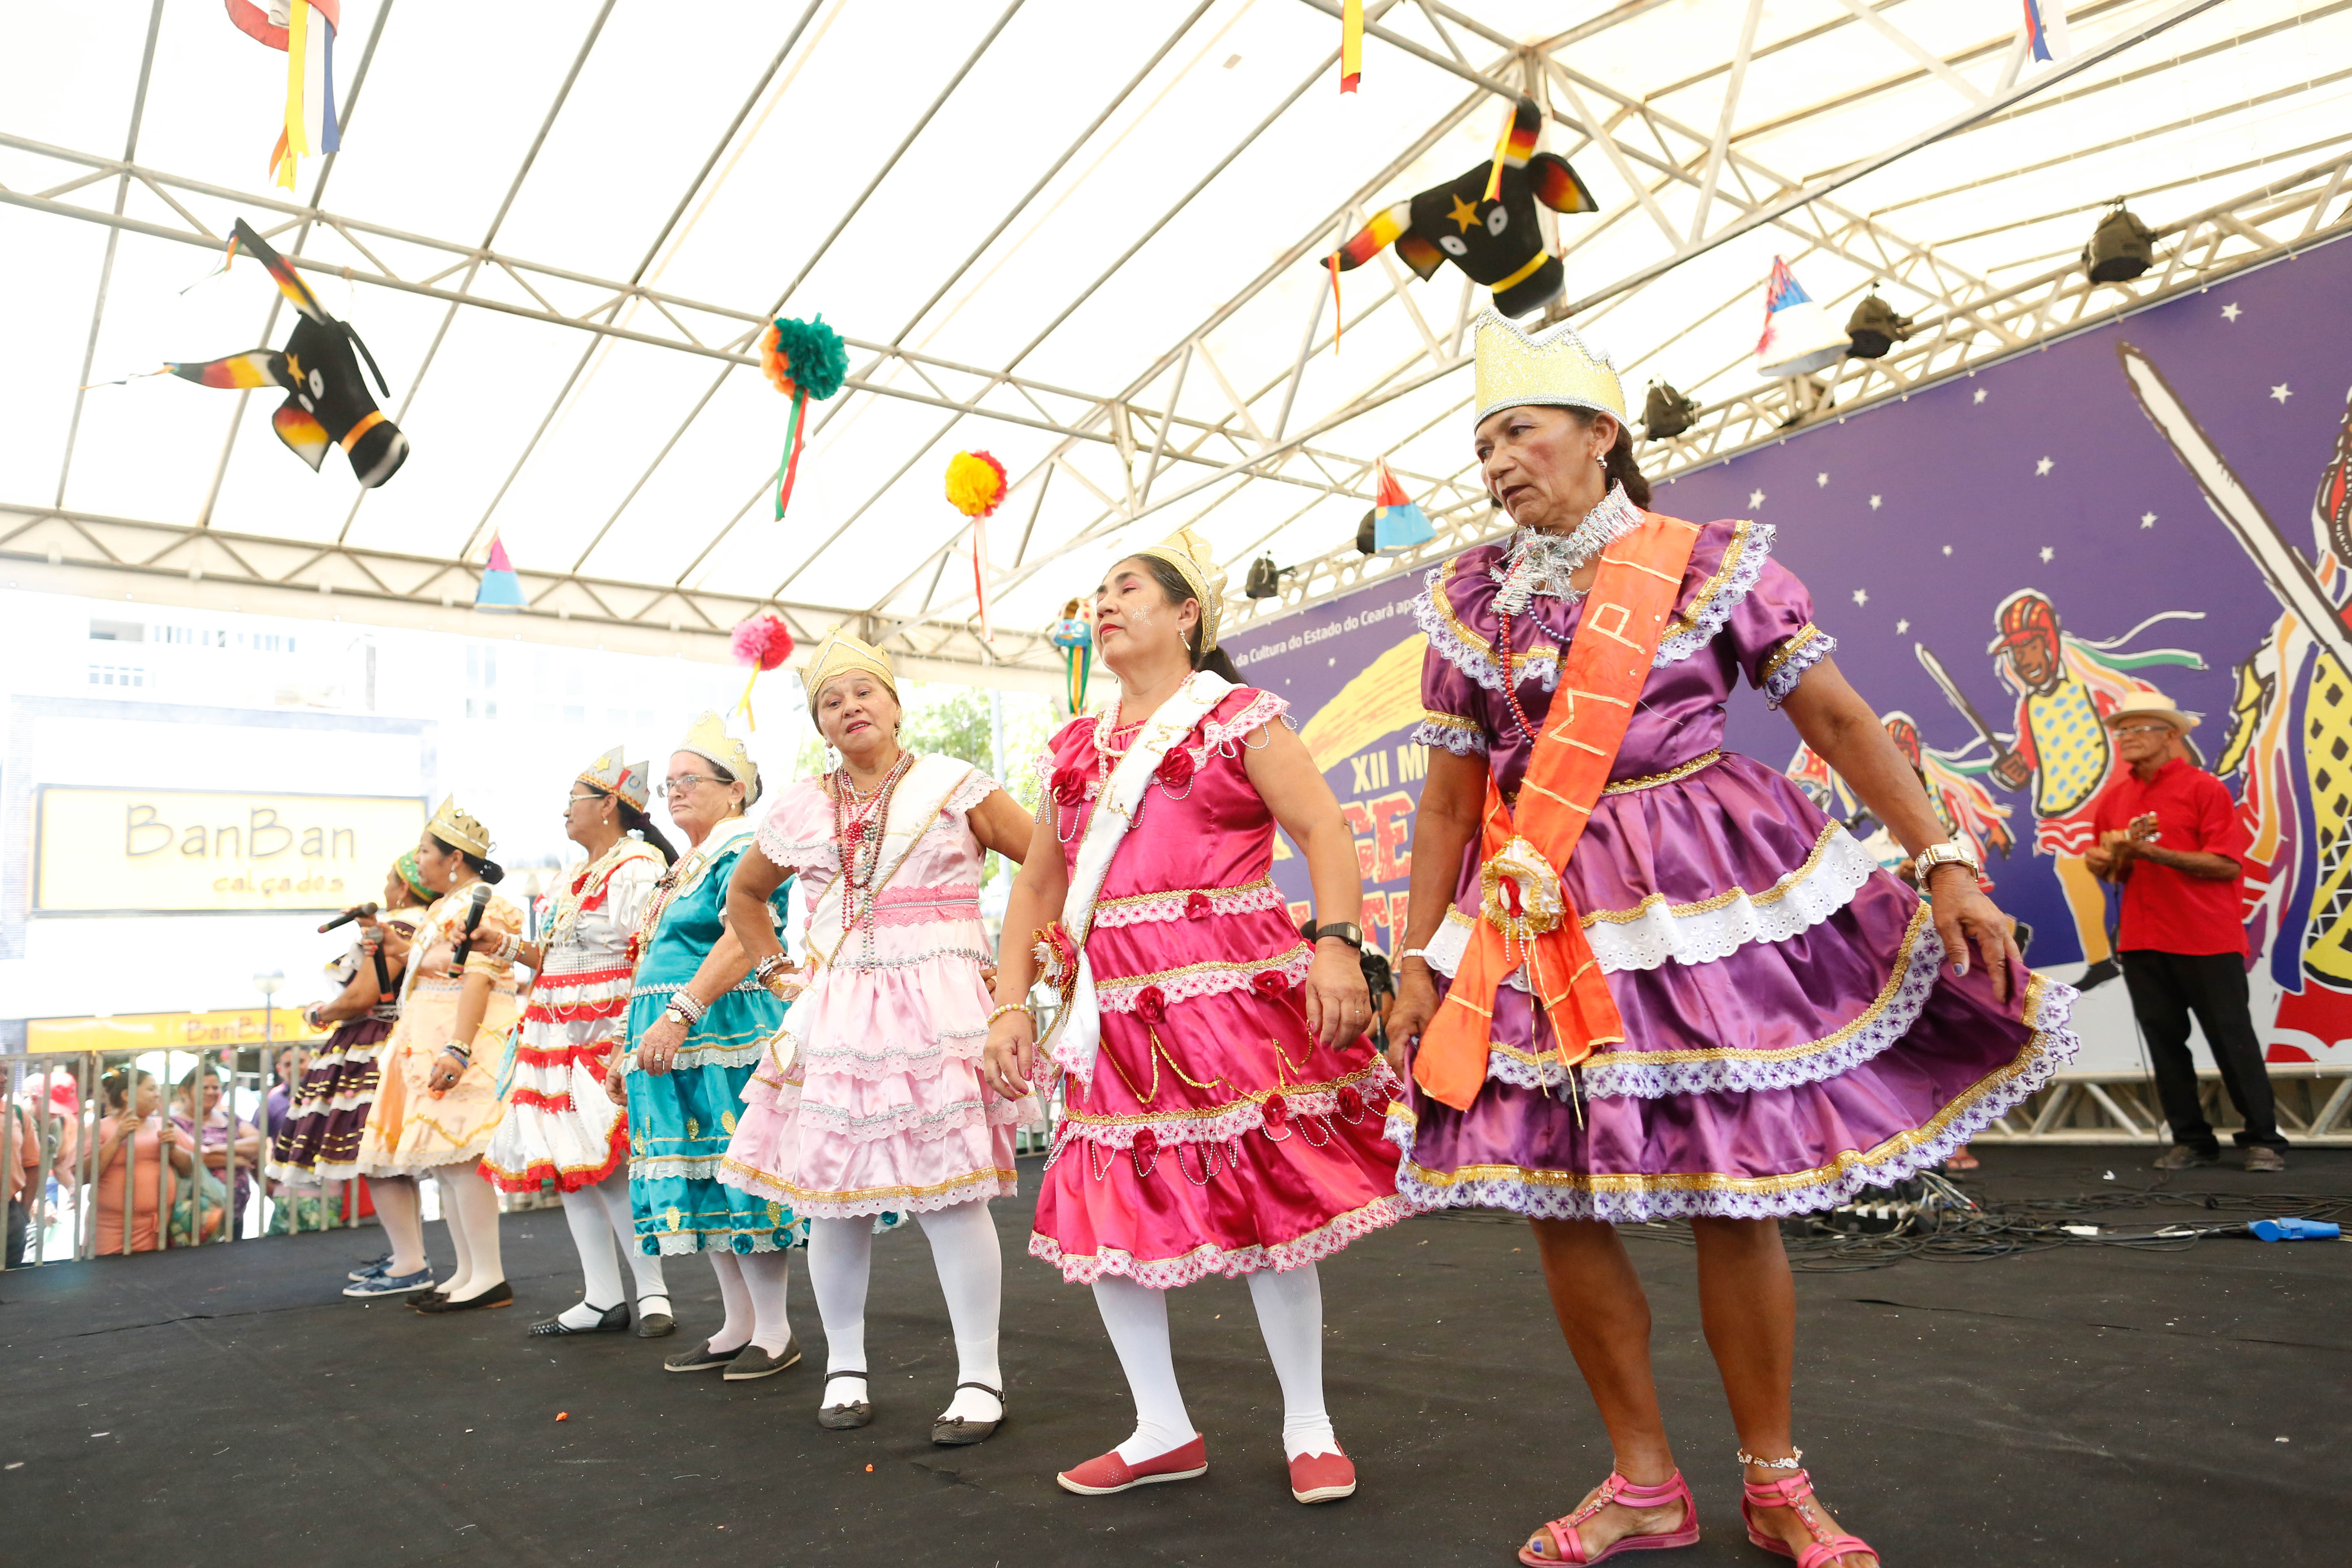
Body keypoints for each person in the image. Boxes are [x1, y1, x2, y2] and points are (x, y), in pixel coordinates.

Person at [1381, 313, 2080, 1566]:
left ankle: (1776, 1481)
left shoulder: (1707, 563)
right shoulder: (1470, 604)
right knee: (1557, 1196)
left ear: (1602, 433)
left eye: (1518, 433)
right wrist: (1418, 956)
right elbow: (1445, 803)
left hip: (1707, 895)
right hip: (1540, 913)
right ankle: (1644, 1481)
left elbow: (1842, 720)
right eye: (1482, 446)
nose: (1495, 463)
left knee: (1734, 1188)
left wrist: (1945, 860)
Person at [987, 530, 1408, 1504]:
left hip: (1233, 994)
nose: (1103, 602)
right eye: (1097, 591)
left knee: (1267, 1194)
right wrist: (1009, 1003)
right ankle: (1160, 1427)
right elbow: (1037, 887)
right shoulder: (1071, 749)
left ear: (1187, 615)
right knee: (1107, 1203)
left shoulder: (1237, 717)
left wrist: (1337, 944)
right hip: (1111, 1011)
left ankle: (1309, 1424)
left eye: (1126, 586)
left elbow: (1323, 828)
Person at [721, 629, 1036, 1440]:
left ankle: (980, 1377)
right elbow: (744, 898)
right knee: (833, 1202)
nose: (850, 707)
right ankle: (845, 1368)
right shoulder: (799, 806)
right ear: (820, 726)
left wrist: (1019, 979)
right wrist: (777, 974)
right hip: (838, 1017)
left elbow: (1047, 870)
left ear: (896, 706)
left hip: (942, 1013)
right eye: (831, 701)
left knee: (953, 1196)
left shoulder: (953, 785)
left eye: (865, 692)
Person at [617, 715, 804, 1378]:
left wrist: (681, 1014)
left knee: (739, 1169)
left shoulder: (745, 847)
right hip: (677, 1034)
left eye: (690, 779)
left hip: (724, 1028)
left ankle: (774, 1329)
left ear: (736, 789)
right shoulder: (686, 864)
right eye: (669, 783)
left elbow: (743, 939)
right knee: (704, 1175)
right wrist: (627, 1047)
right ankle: (738, 1323)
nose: (675, 791)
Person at [483, 748, 677, 1335]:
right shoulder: (569, 877)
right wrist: (505, 946)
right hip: (553, 1027)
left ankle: (653, 1293)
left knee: (609, 1161)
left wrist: (627, 1035)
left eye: (574, 800)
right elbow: (555, 956)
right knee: (570, 1160)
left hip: (605, 1026)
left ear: (609, 804)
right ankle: (602, 1296)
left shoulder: (637, 865)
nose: (566, 811)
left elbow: (647, 954)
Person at [2086, 699, 2287, 1172]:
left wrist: (2150, 853)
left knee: (2232, 1040)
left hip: (2205, 936)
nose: (2127, 738)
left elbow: (2226, 865)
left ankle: (2264, 1140)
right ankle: (2192, 1140)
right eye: (2122, 731)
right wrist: (2104, 863)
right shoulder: (2114, 799)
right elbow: (2116, 871)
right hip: (2141, 939)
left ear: (2170, 735)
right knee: (2164, 1044)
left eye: (2139, 728)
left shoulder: (2204, 788)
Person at [345, 798, 526, 1312]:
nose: (418, 860)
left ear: (455, 859)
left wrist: (460, 1047)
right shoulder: (443, 906)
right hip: (432, 1037)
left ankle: (488, 1274)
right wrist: (392, 945)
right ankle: (467, 1271)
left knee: (464, 1160)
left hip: (464, 1037)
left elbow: (478, 976)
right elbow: (437, 962)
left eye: (425, 851)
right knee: (447, 1165)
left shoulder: (487, 905)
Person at [276, 854, 431, 1244]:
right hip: (404, 1039)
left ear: (404, 887)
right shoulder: (428, 924)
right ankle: (410, 1257)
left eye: (389, 880)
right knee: (392, 1160)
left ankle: (408, 1259)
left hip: (376, 1042)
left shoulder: (401, 927)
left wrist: (319, 1014)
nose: (384, 889)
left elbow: (361, 997)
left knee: (378, 1157)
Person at [92, 1068, 199, 1256]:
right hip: (111, 1230)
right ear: (127, 1095)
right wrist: (117, 1138)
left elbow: (189, 1170)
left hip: (160, 1228)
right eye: (151, 1089)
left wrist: (173, 1148)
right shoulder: (101, 1128)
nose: (158, 1094)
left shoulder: (165, 1126)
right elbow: (85, 1175)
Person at [171, 1063, 257, 1238]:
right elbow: (193, 1159)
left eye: (216, 1088)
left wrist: (217, 1149)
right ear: (184, 1091)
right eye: (204, 1088)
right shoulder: (175, 1124)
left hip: (235, 1213)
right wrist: (237, 1160)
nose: (211, 1092)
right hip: (198, 1216)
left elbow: (258, 1143)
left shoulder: (230, 1118)